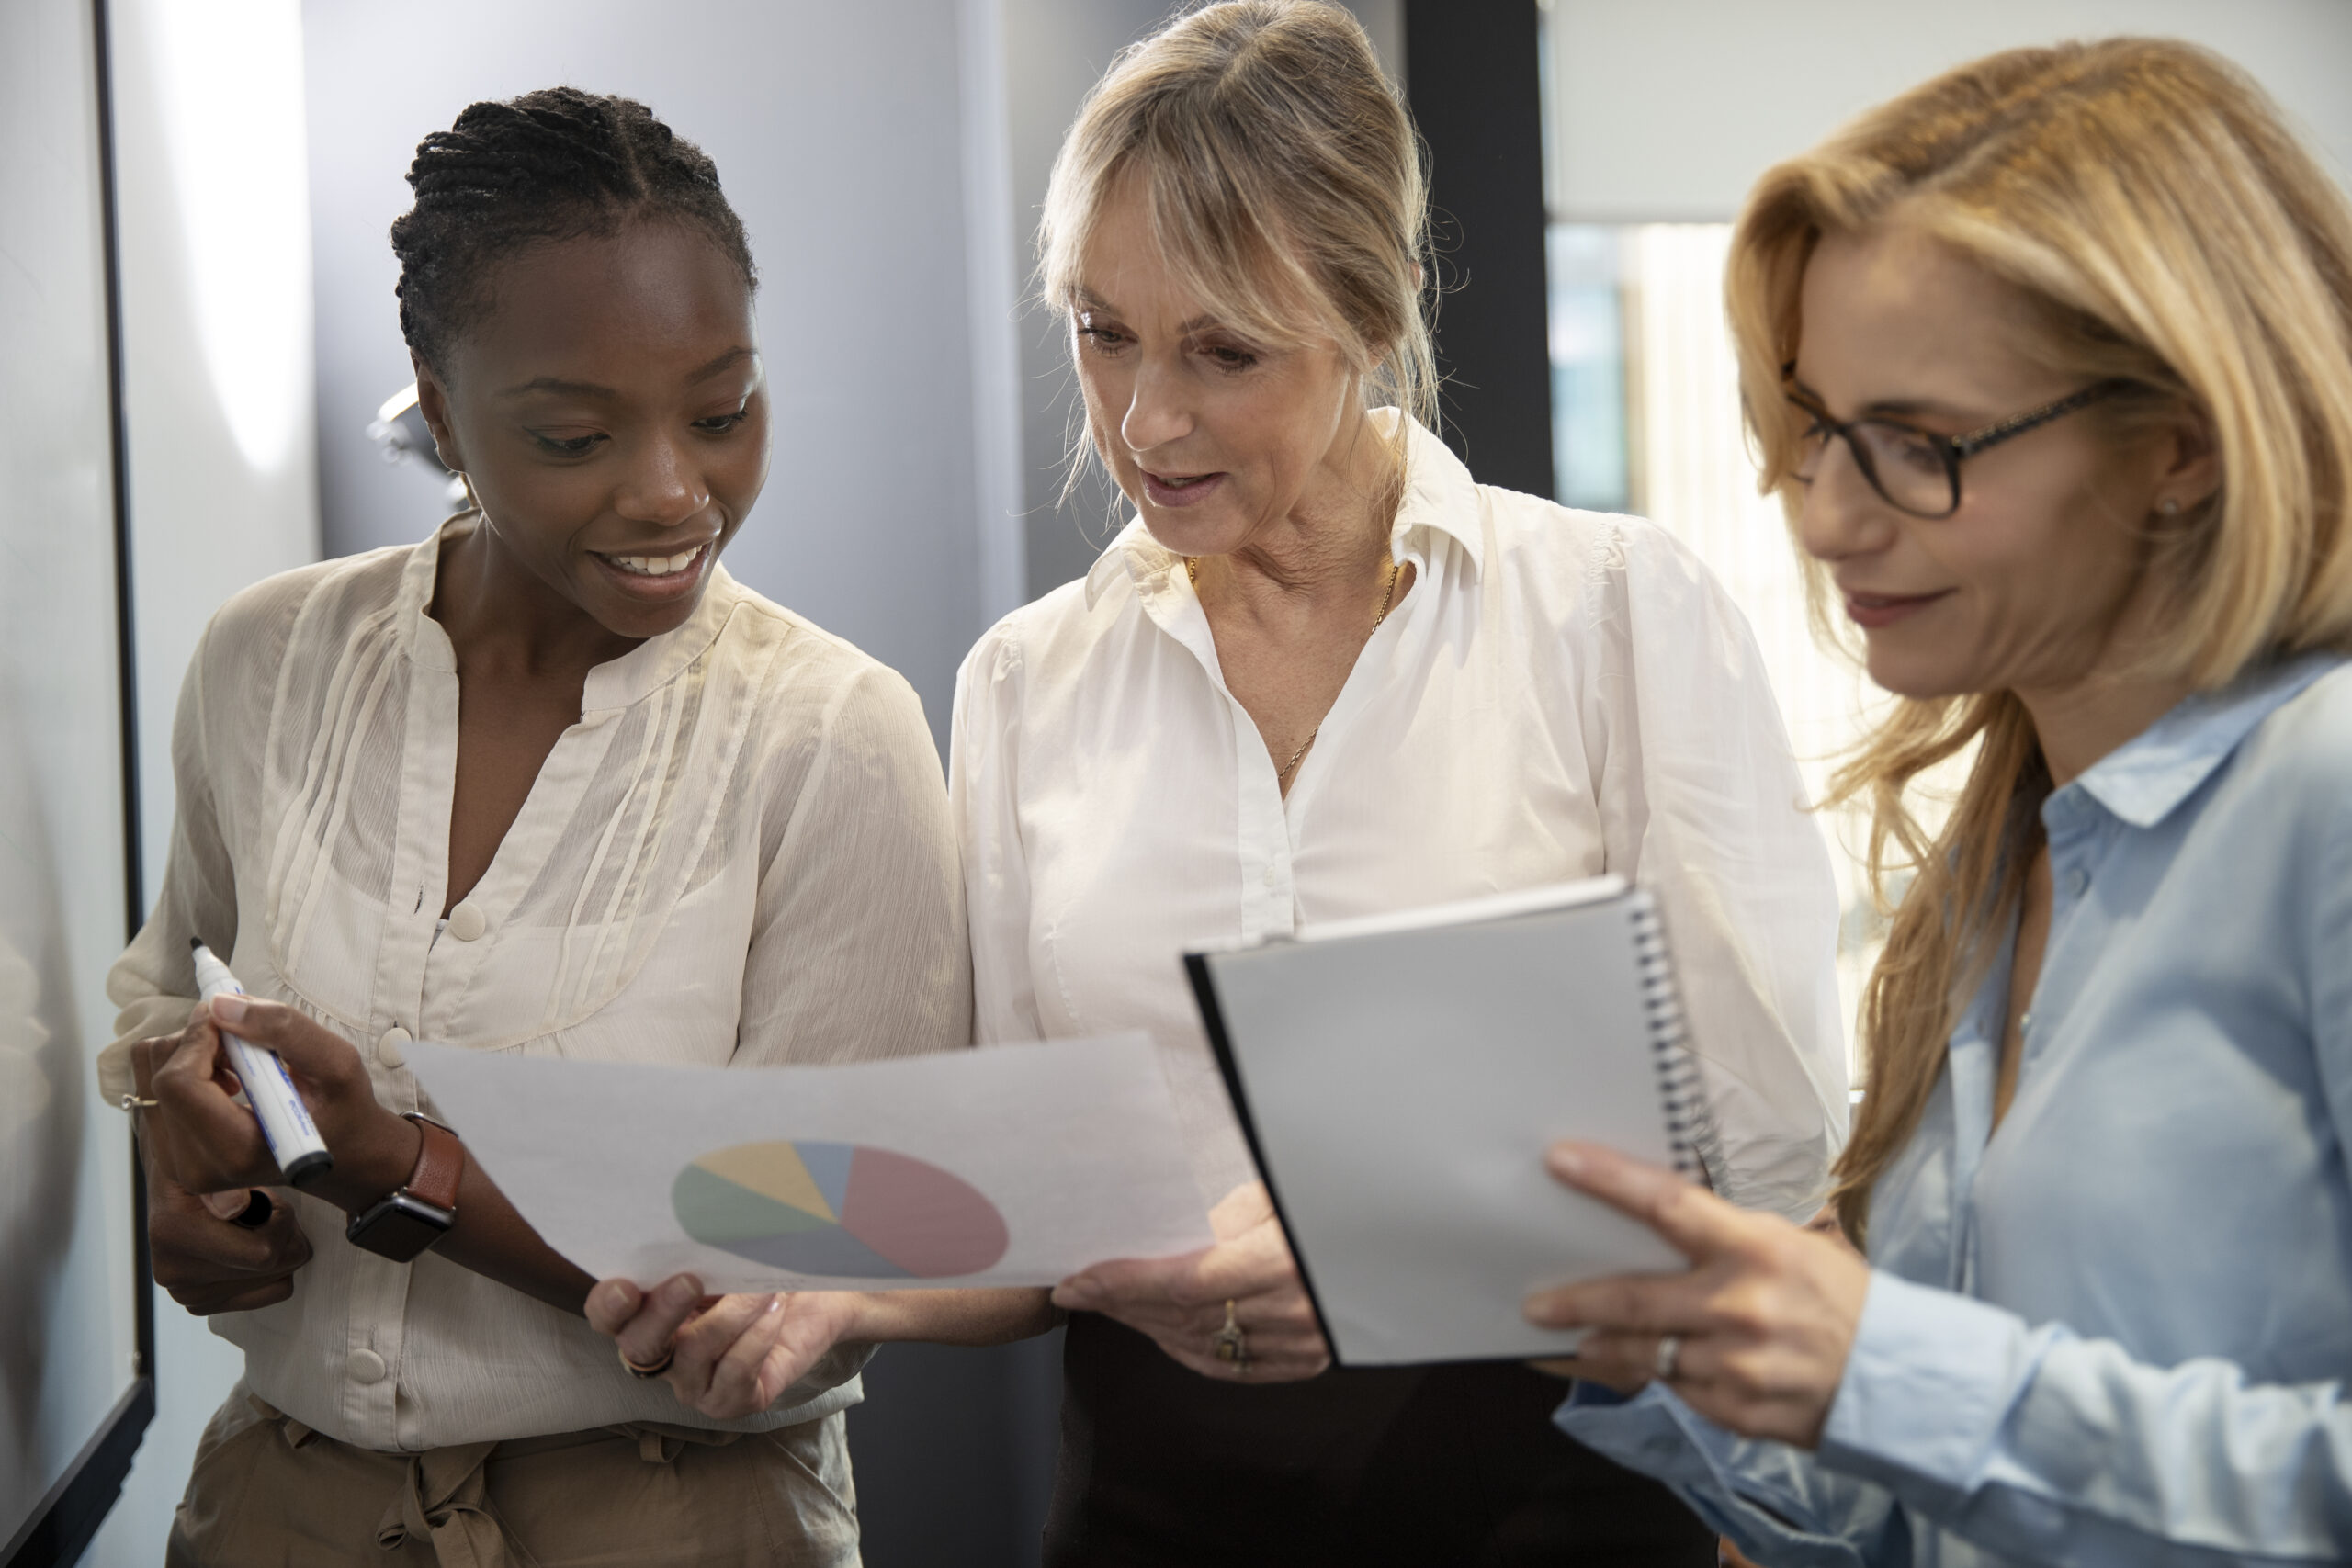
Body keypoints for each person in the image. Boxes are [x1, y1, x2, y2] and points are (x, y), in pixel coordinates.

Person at [948, 4, 1851, 1562]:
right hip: (1153, 1506)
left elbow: (1767, 1173)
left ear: (1378, 313)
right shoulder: (1026, 683)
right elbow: (1024, 1180)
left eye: (1222, 350)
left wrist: (1401, 1240)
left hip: (1551, 1494)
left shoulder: (1617, 615)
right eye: (1103, 330)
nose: (1145, 418)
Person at [103, 88, 1044, 1567]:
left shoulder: (828, 734)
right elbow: (180, 991)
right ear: (435, 392)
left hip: (675, 1518)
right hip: (276, 1510)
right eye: (573, 433)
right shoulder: (266, 660)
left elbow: (815, 1278)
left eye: (725, 411)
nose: (675, 489)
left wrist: (403, 1170)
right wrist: (190, 1143)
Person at [1520, 38, 2352, 1568]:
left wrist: (1889, 1375)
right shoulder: (2002, 849)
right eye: (1821, 428)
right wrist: (1654, 1345)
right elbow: (1928, 1514)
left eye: (1921, 446)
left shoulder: (2325, 795)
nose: (1829, 517)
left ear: (2178, 446)